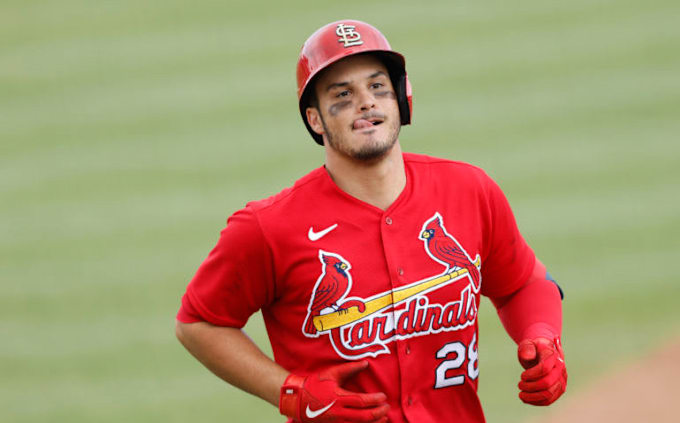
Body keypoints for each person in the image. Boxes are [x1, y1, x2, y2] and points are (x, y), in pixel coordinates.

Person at [175, 19, 567, 423]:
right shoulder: (268, 227)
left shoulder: (469, 190)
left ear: (401, 98)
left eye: (377, 87)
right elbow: (198, 323)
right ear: (314, 119)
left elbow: (523, 282)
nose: (366, 102)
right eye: (342, 95)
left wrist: (542, 335)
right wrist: (291, 392)